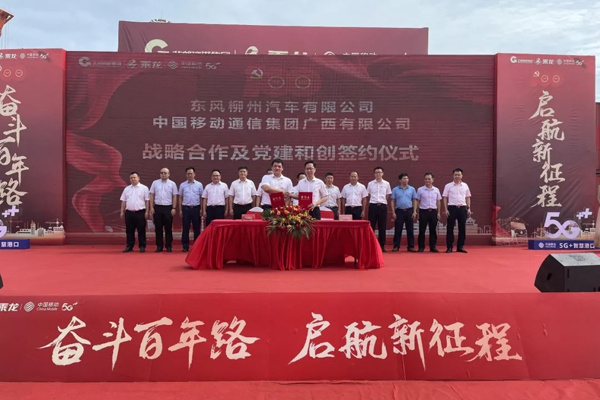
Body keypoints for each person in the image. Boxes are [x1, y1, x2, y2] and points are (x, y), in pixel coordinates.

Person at [442, 168, 472, 253]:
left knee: (462, 228)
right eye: (455, 175)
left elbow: (468, 197)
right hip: (452, 208)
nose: (457, 176)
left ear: (462, 176)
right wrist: (446, 209)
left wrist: (469, 208)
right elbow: (445, 197)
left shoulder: (465, 185)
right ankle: (449, 247)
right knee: (450, 228)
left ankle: (460, 247)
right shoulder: (448, 186)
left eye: (459, 175)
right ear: (453, 175)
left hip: (462, 208)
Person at [149, 168, 178, 253]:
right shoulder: (155, 183)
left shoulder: (172, 184)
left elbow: (174, 196)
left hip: (168, 208)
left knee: (168, 228)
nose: (163, 174)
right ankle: (159, 246)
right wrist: (151, 207)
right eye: (161, 173)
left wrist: (174, 208)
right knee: (158, 228)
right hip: (157, 207)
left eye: (165, 173)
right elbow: (151, 195)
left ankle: (168, 246)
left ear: (169, 174)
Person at [119, 172, 150, 253]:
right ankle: (129, 246)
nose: (133, 179)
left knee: (141, 230)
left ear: (138, 178)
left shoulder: (144, 188)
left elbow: (147, 201)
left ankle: (142, 246)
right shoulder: (127, 189)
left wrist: (147, 211)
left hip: (140, 212)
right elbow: (123, 201)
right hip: (129, 213)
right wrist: (122, 211)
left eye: (134, 177)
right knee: (129, 230)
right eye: (131, 178)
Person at [367, 167, 392, 252]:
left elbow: (387, 195)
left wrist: (382, 201)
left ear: (382, 173)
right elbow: (369, 194)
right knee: (371, 226)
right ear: (374, 174)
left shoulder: (386, 183)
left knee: (382, 226)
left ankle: (382, 245)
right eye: (376, 172)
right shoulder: (370, 184)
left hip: (382, 206)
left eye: (379, 172)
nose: (378, 174)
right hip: (373, 206)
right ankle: (371, 245)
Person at [178, 167, 203, 252]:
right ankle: (185, 246)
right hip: (186, 208)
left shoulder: (199, 184)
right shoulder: (182, 185)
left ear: (194, 174)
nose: (190, 175)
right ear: (186, 175)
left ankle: (197, 246)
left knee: (196, 228)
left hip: (196, 208)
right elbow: (180, 197)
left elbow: (201, 197)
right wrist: (180, 210)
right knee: (185, 228)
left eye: (191, 173)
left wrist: (201, 209)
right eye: (188, 174)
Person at [391, 173, 417, 252]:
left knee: (410, 229)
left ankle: (411, 246)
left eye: (407, 178)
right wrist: (393, 212)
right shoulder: (395, 189)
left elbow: (414, 200)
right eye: (404, 178)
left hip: (409, 210)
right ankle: (396, 246)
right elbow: (392, 201)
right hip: (399, 211)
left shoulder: (412, 189)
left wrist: (414, 211)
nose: (406, 180)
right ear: (400, 180)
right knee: (398, 229)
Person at [416, 172, 442, 252]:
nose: (427, 180)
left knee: (433, 230)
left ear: (432, 180)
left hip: (433, 211)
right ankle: (421, 247)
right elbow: (417, 201)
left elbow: (438, 201)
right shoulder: (420, 189)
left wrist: (438, 213)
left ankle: (433, 247)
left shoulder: (436, 190)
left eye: (429, 179)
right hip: (423, 211)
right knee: (422, 230)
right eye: (426, 179)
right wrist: (417, 212)